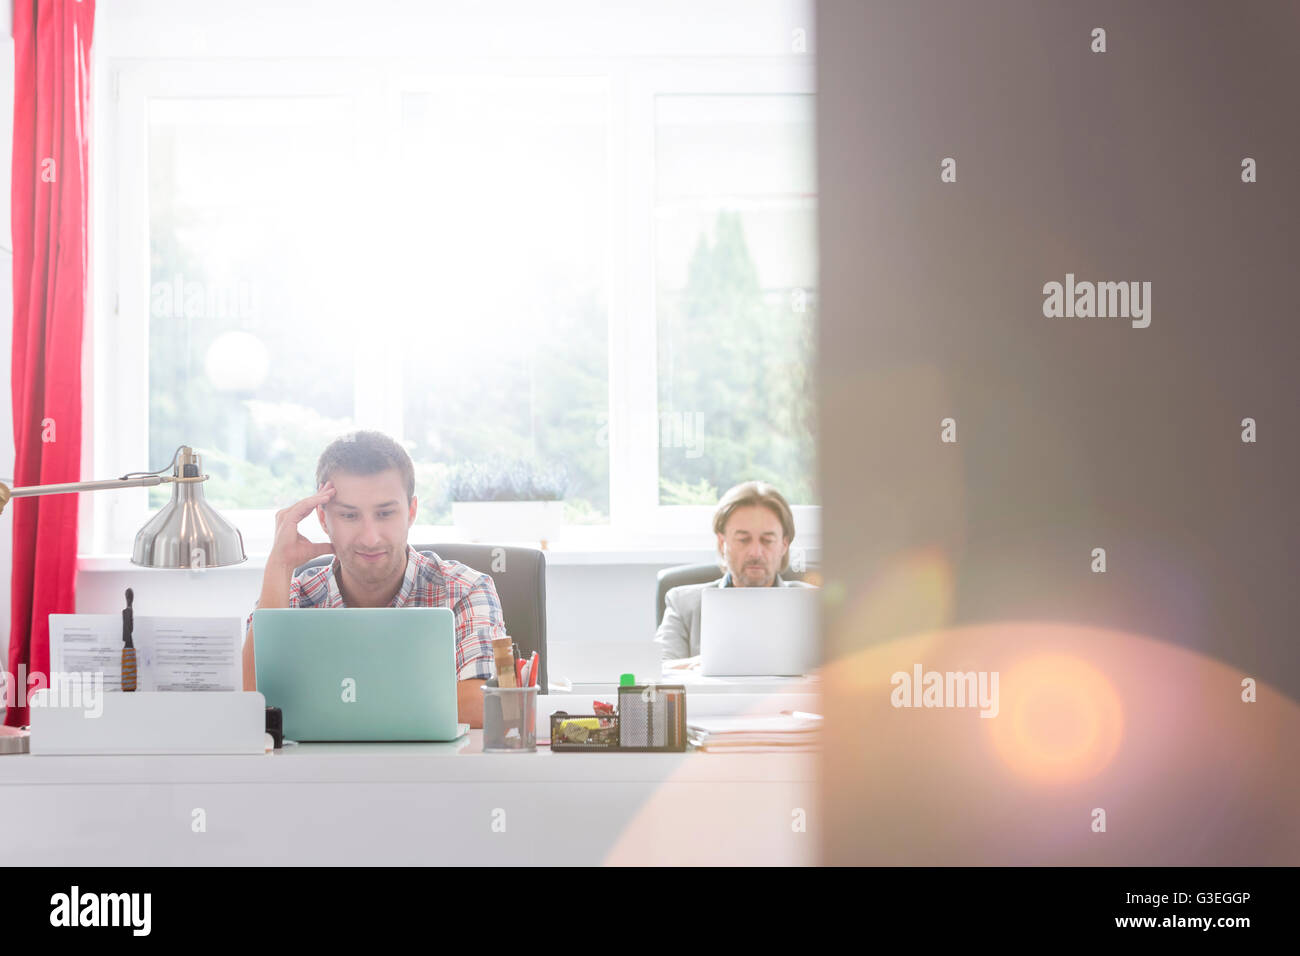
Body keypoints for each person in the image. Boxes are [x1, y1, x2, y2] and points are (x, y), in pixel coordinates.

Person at [241, 431, 502, 728]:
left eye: (385, 513)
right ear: (324, 520)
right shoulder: (294, 595)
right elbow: (250, 707)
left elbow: (480, 706)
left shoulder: (464, 589)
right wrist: (279, 565)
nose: (370, 538)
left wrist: (332, 702)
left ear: (411, 512)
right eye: (350, 516)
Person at [654, 480, 813, 660]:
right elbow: (661, 674)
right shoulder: (683, 605)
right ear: (723, 543)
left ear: (784, 545)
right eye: (743, 540)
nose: (755, 552)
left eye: (767, 540)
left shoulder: (814, 606)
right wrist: (703, 667)